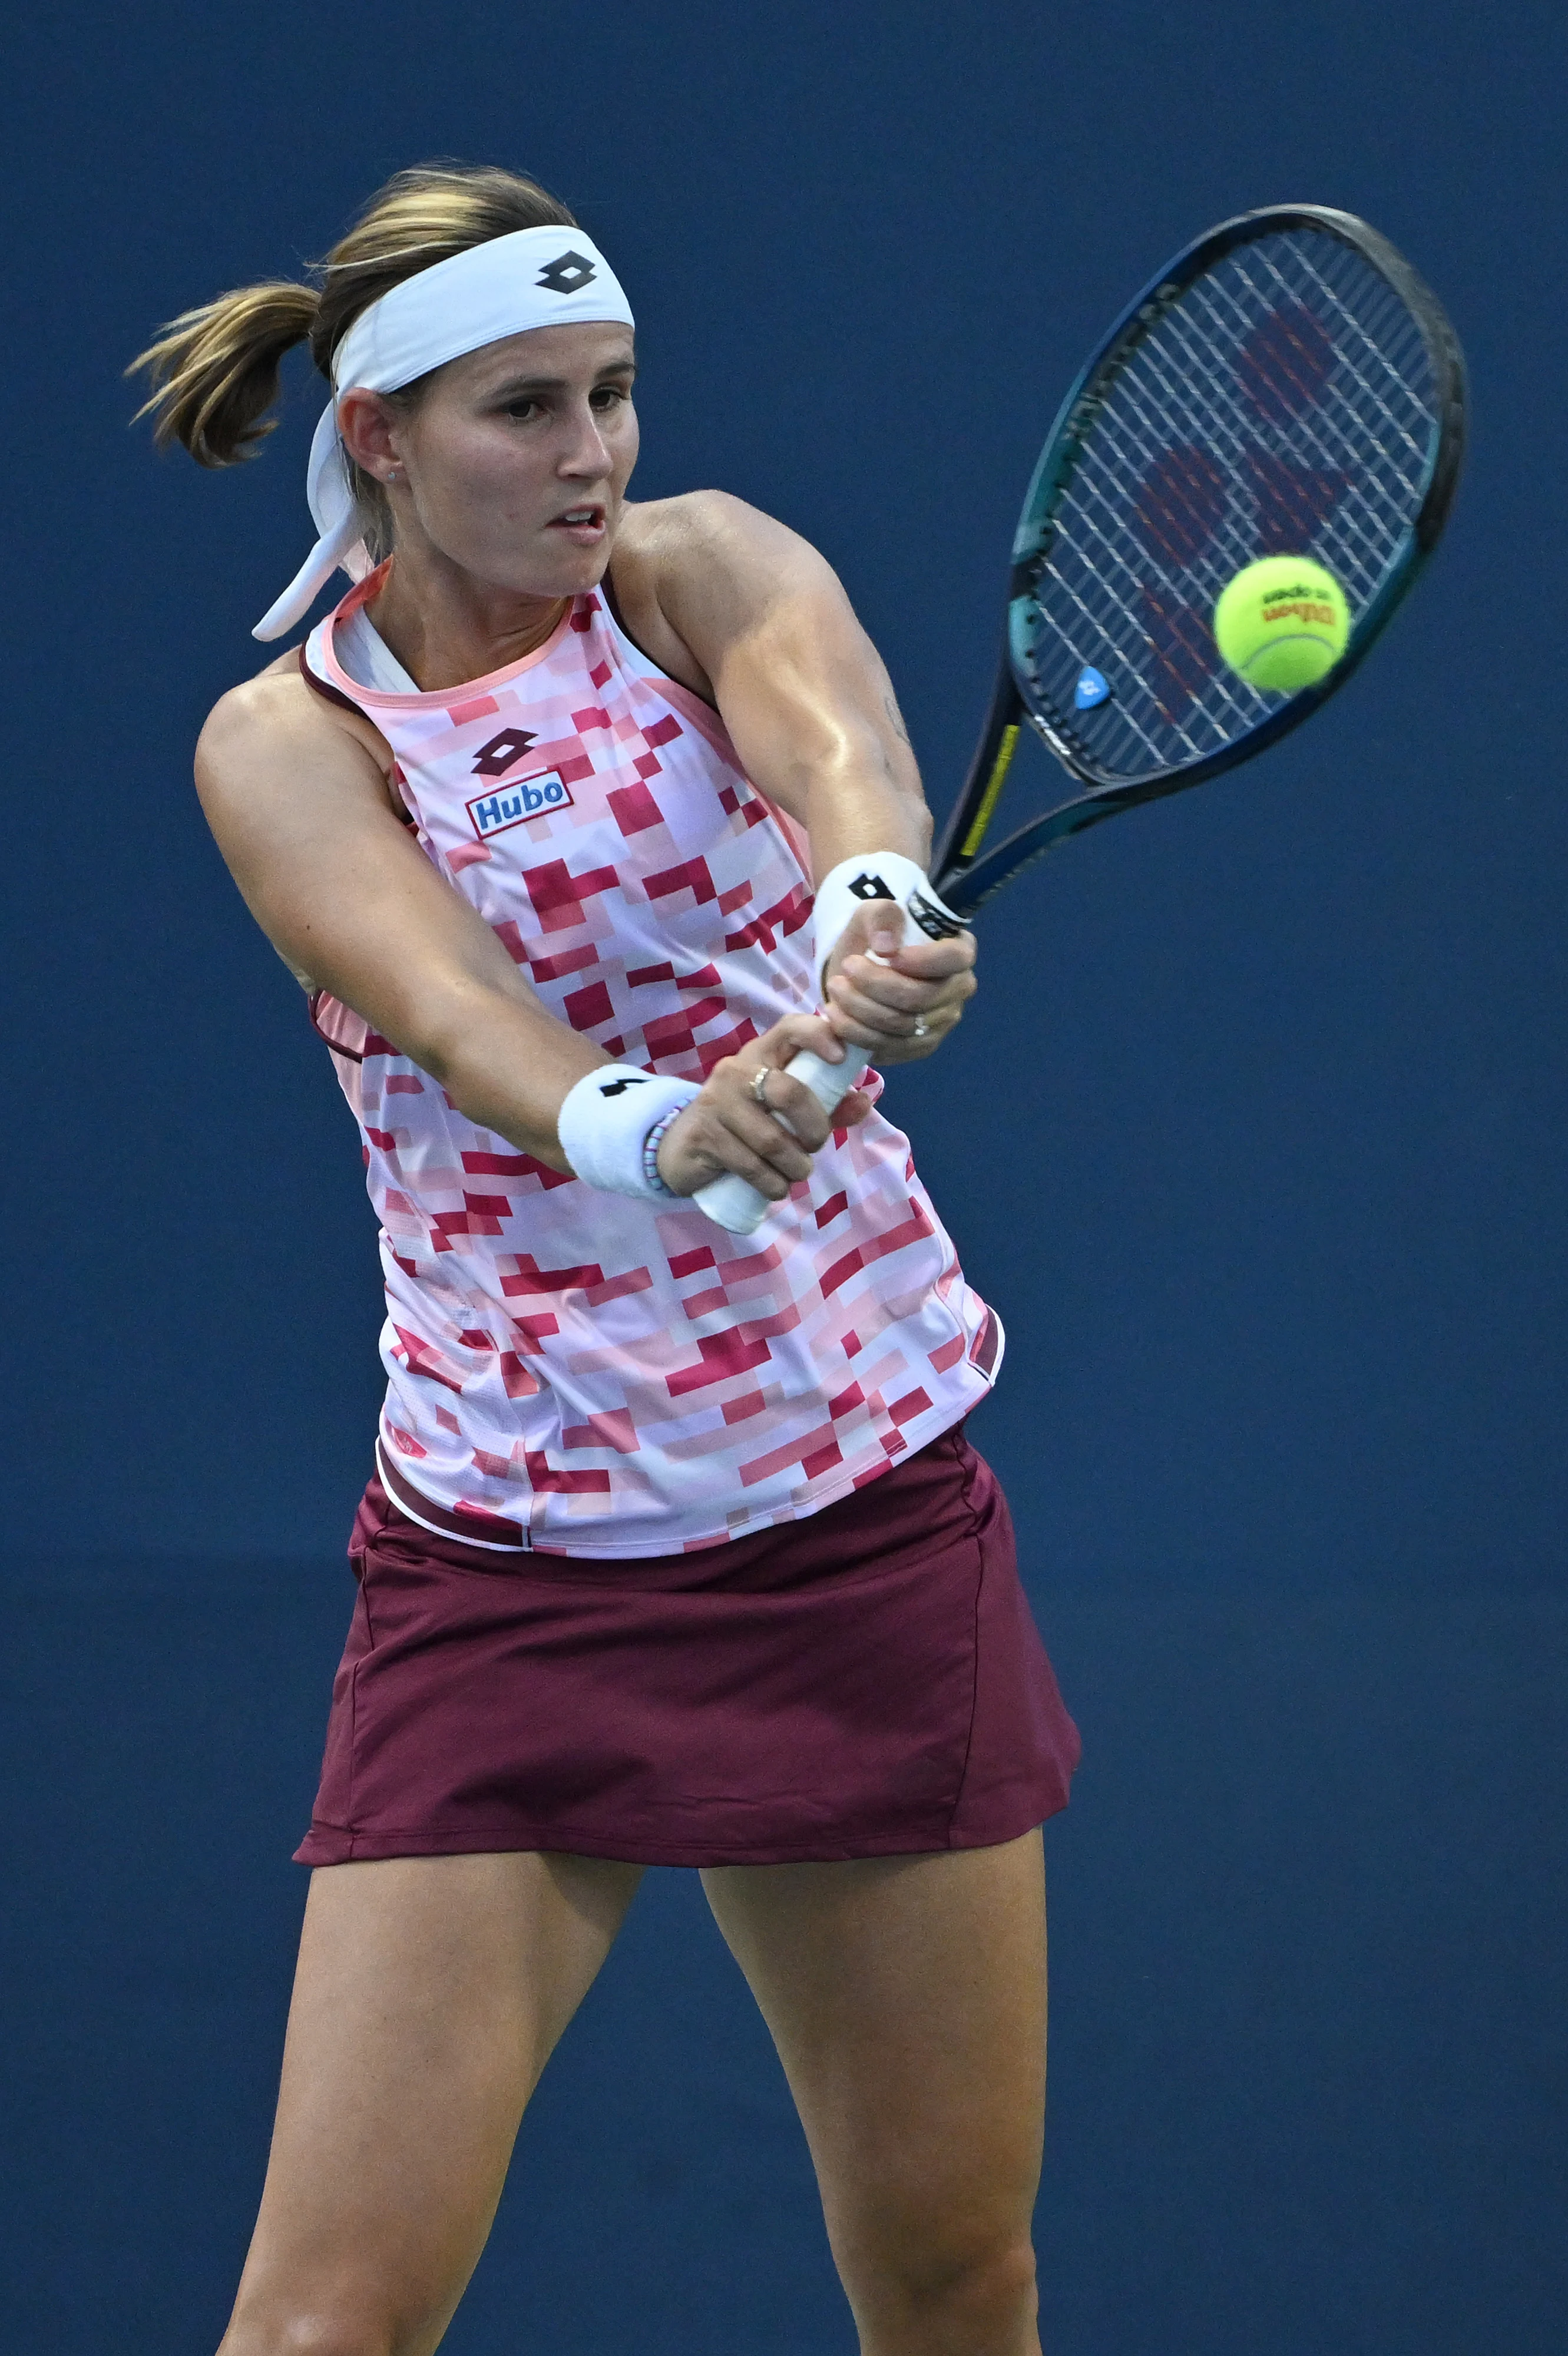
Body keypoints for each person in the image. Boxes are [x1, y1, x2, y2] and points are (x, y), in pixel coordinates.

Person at [133, 160, 1080, 2356]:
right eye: (525, 411)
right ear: (375, 433)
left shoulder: (692, 570)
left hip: (855, 1531)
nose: (592, 458)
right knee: (314, 2331)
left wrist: (863, 917)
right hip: (510, 1567)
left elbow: (836, 746)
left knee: (952, 2278)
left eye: (612, 394)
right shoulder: (289, 746)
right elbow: (460, 1021)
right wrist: (657, 1122)